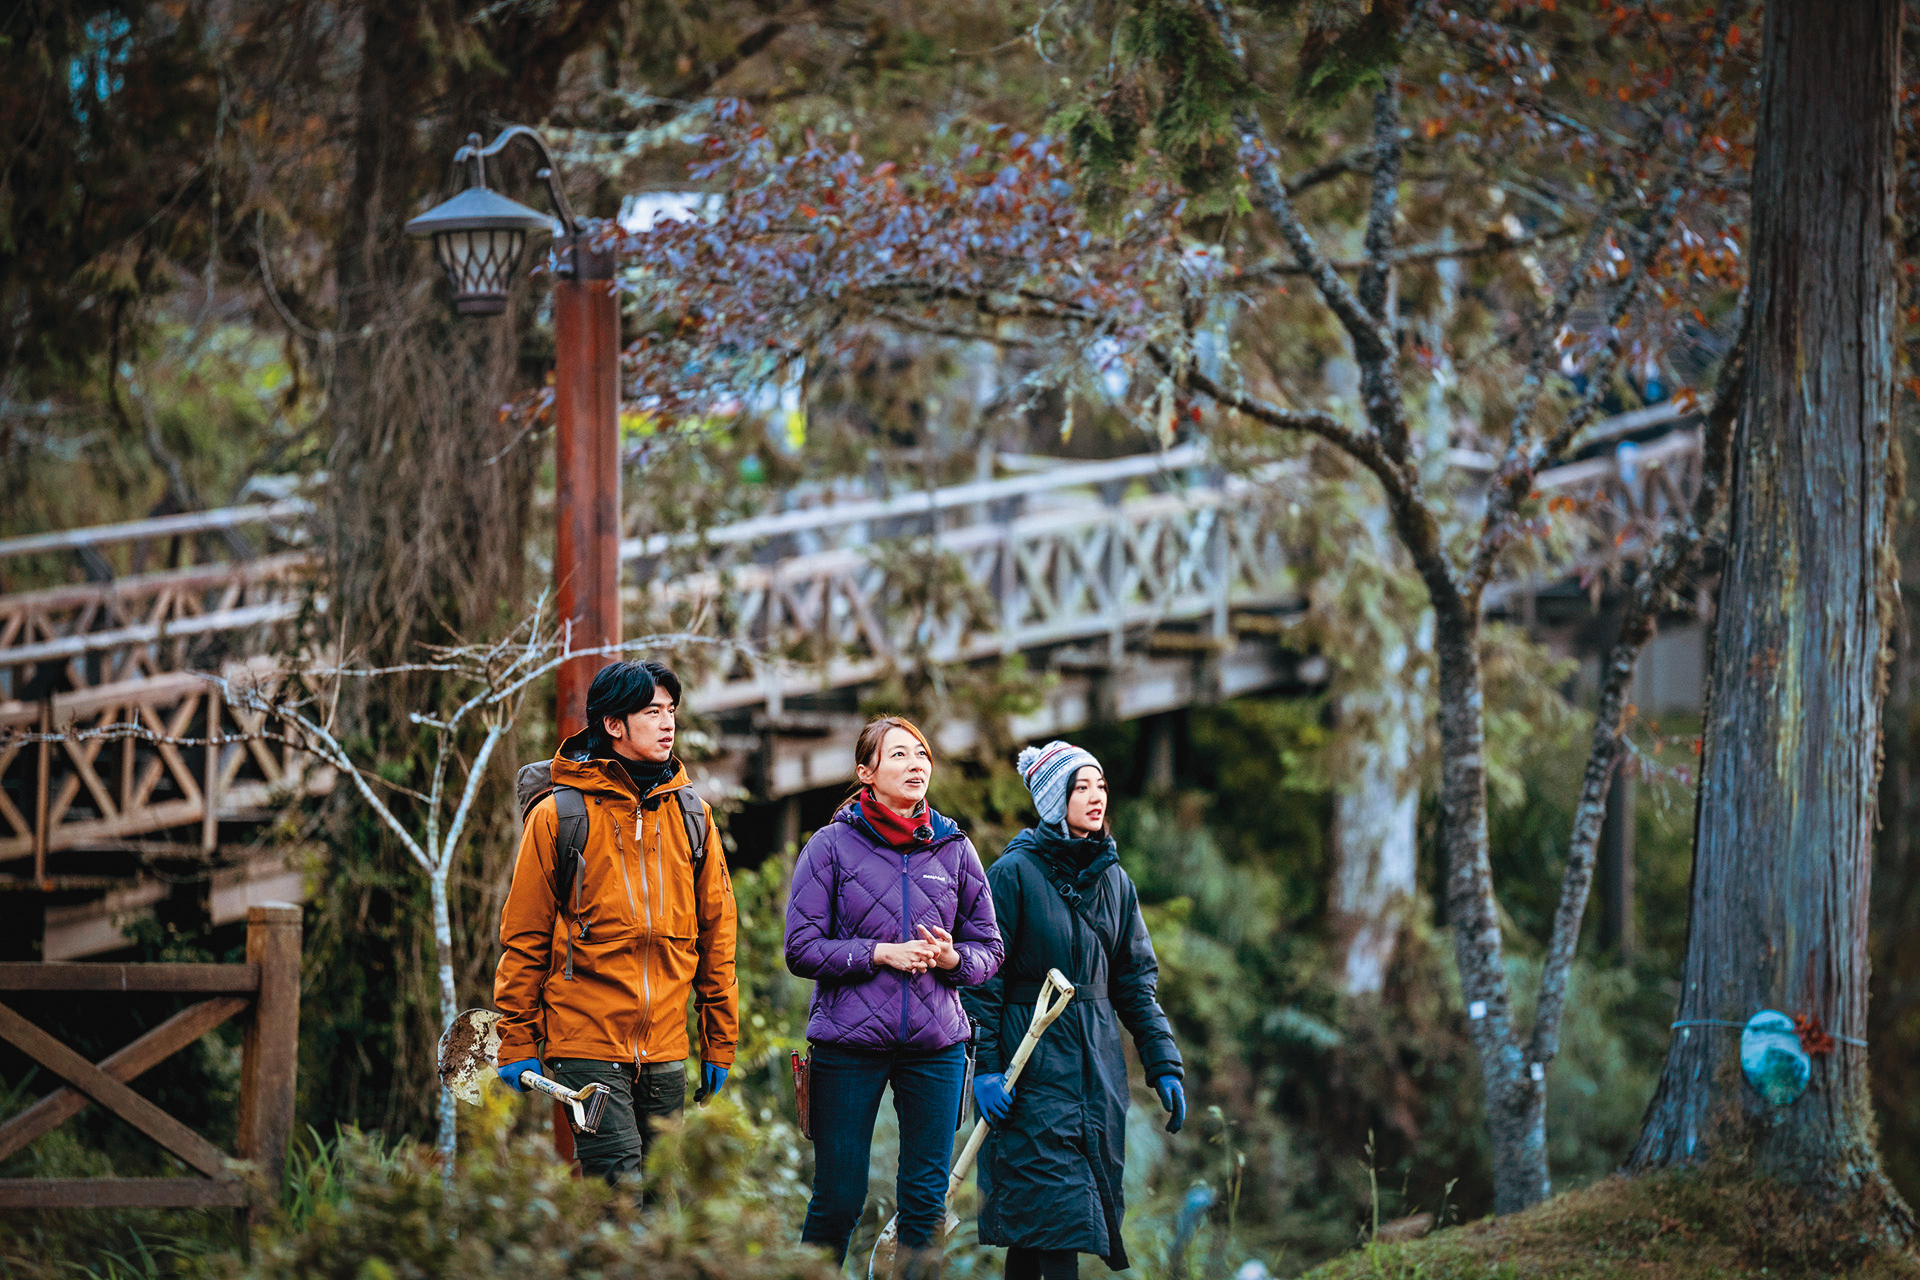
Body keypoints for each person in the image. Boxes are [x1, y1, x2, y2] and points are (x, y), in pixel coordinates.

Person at [492, 660, 738, 1185]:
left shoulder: (693, 816)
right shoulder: (559, 815)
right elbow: (525, 937)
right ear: (613, 724)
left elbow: (717, 936)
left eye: (671, 711)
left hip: (666, 1048)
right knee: (618, 1192)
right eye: (652, 712)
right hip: (586, 1043)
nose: (668, 724)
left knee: (661, 1199)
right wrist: (515, 1038)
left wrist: (718, 1038)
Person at [785, 716, 1004, 1279]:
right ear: (867, 772)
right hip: (847, 1043)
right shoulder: (829, 846)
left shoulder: (955, 848)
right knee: (838, 1200)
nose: (916, 764)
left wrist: (952, 959)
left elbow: (990, 949)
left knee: (926, 1206)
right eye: (900, 754)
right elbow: (801, 949)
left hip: (937, 1046)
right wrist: (879, 953)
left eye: (922, 754)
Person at [962, 741, 1185, 1280]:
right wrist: (985, 1069)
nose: (1095, 797)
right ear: (1053, 800)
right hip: (1029, 1070)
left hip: (1096, 1073)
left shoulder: (1115, 882)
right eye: (1080, 787)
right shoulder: (1012, 874)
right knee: (1054, 1220)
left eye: (1100, 786)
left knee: (1038, 1228)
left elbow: (1136, 984)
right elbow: (983, 979)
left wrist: (1163, 1062)